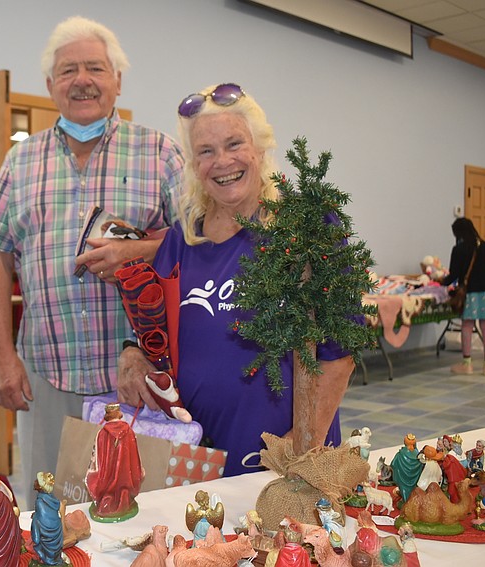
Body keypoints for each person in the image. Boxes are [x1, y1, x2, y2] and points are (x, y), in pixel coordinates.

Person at [0, 15, 185, 504]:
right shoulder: (20, 162)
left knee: (142, 508)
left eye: (95, 68)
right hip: (48, 374)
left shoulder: (159, 153)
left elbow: (200, 242)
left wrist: (137, 250)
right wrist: (2, 358)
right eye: (68, 71)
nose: (82, 80)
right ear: (50, 85)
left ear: (117, 81)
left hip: (140, 374)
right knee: (50, 509)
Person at [117, 83, 356, 477]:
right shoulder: (183, 236)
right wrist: (132, 353)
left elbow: (340, 353)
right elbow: (149, 329)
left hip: (283, 458)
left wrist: (298, 449)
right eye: (206, 151)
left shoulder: (307, 226)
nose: (222, 161)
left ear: (260, 149)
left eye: (234, 144)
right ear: (194, 165)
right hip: (196, 456)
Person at [441, 217, 485, 375]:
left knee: (467, 326)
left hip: (469, 293)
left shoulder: (459, 249)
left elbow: (454, 277)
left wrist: (441, 283)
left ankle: (467, 364)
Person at [84, 403, 144, 520]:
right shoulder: (129, 432)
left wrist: (93, 469)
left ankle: (109, 502)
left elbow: (97, 456)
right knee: (124, 486)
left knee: (105, 485)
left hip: (106, 476)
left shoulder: (102, 433)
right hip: (126, 474)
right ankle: (123, 502)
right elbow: (134, 455)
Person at [30, 471, 65, 566]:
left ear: (41, 486)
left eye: (37, 481)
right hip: (55, 530)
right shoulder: (51, 498)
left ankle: (47, 558)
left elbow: (41, 521)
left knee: (38, 539)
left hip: (47, 534)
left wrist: (35, 519)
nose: (35, 482)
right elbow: (46, 514)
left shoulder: (40, 502)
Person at [390, 433, 423, 507]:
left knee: (404, 489)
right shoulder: (417, 454)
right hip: (414, 479)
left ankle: (406, 503)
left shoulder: (400, 454)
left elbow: (393, 464)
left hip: (403, 479)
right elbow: (420, 465)